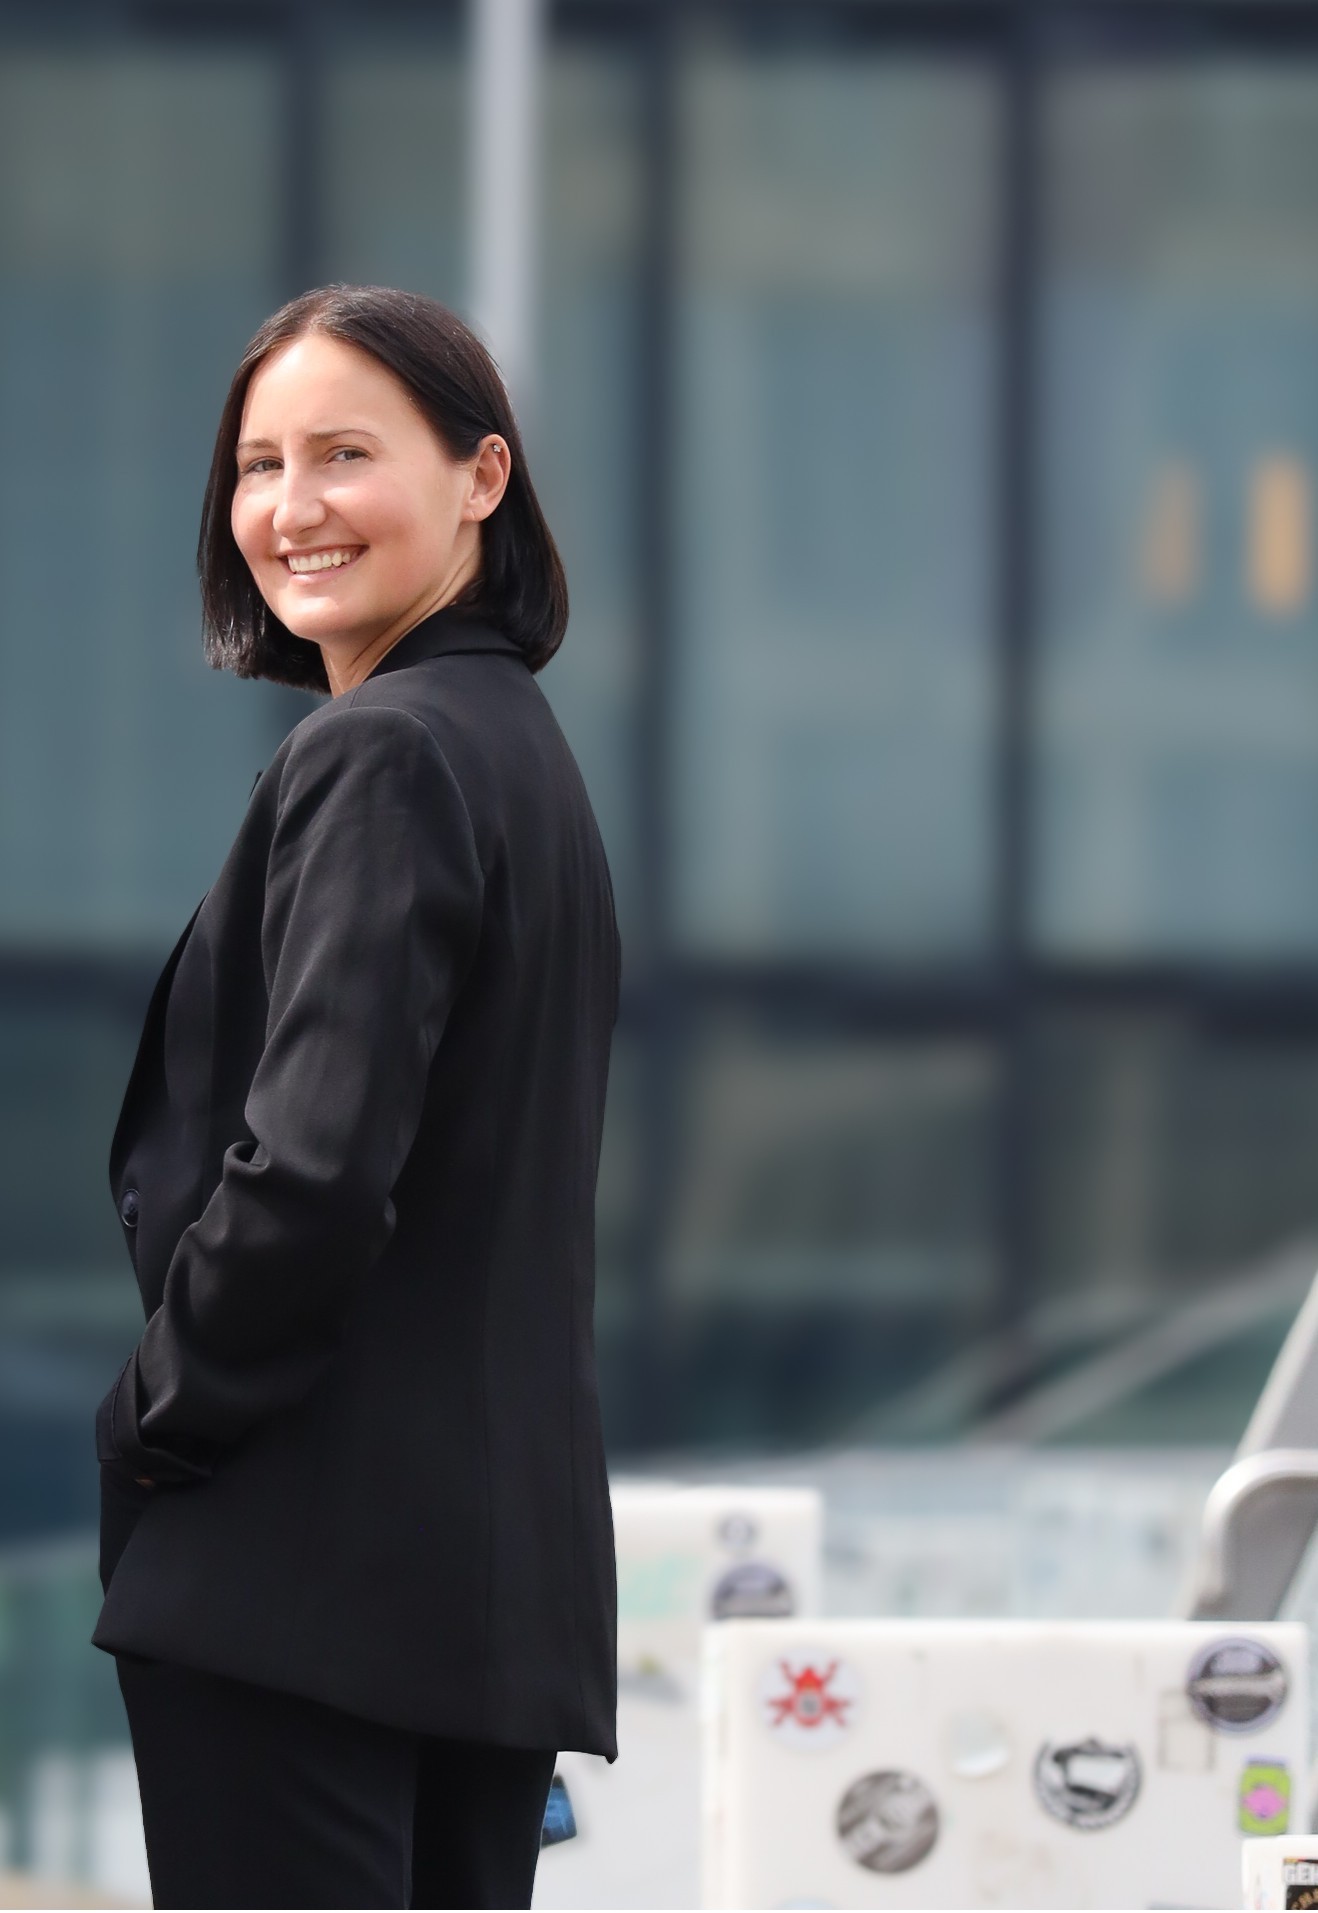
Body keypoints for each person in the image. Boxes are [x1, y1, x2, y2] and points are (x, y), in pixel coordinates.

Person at [91, 284, 620, 1911]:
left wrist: (160, 1418)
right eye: (259, 464)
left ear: (481, 476)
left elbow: (312, 1171)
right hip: (480, 1592)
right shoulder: (516, 749)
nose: (291, 507)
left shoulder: (384, 753)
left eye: (344, 454)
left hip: (298, 1570)